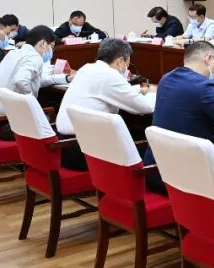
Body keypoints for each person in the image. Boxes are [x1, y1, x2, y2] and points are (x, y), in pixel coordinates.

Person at [143, 41, 214, 193]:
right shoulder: (205, 87)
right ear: (209, 59)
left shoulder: (166, 79)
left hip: (155, 172)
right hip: (187, 183)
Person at [56, 38, 153, 170]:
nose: (126, 68)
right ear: (120, 61)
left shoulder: (87, 68)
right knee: (146, 151)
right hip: (86, 153)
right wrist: (154, 94)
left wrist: (138, 90)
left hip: (65, 147)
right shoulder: (110, 76)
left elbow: (107, 91)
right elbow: (145, 107)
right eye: (127, 64)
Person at [0, 26, 71, 139]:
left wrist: (65, 79)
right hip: (14, 125)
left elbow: (35, 80)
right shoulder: (35, 57)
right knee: (63, 132)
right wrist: (31, 103)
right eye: (52, 47)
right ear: (43, 43)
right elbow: (21, 81)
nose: (51, 52)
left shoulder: (13, 53)